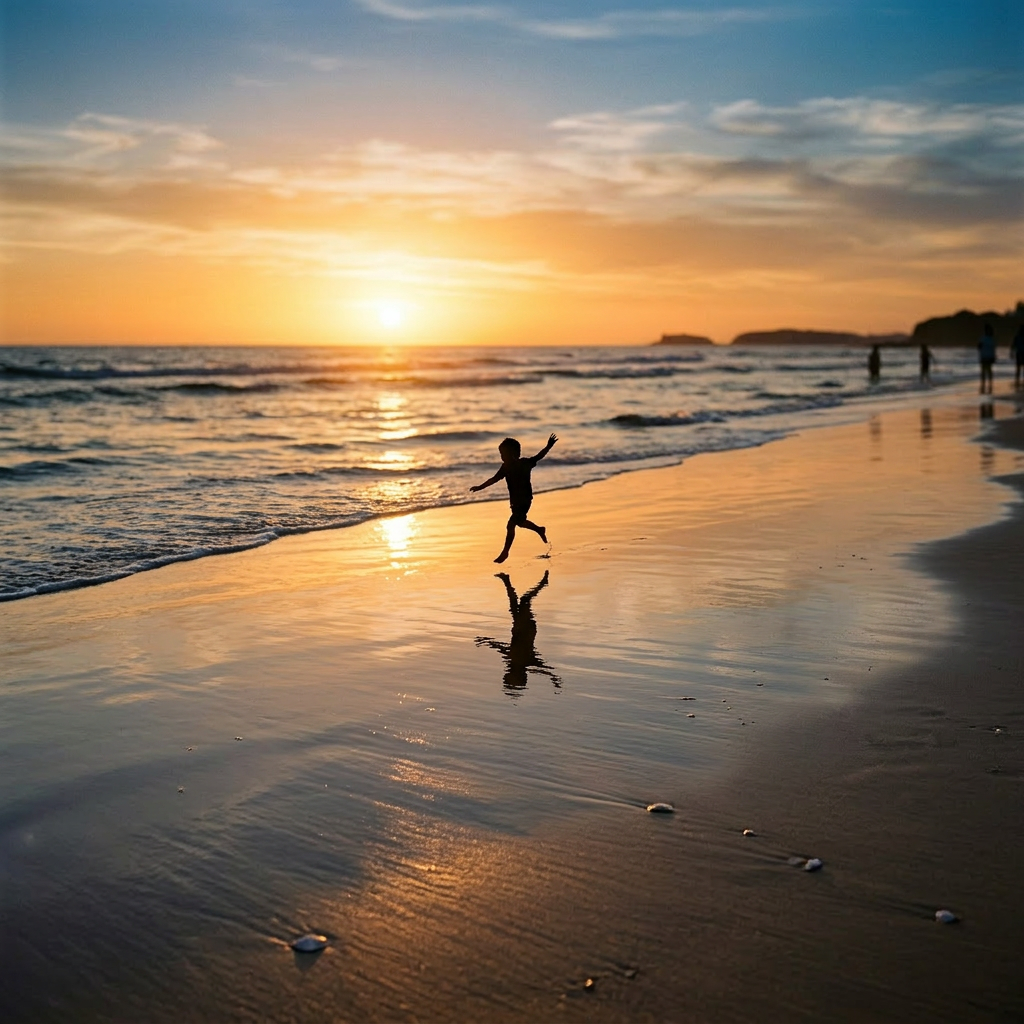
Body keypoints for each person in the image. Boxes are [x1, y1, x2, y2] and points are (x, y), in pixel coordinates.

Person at [471, 432, 557, 563]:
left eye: (503, 454)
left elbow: (539, 456)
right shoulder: (505, 467)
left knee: (511, 525)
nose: (501, 457)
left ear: (512, 454)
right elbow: (494, 479)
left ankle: (505, 553)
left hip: (525, 500)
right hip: (515, 502)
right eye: (501, 454)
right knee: (520, 523)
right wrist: (480, 487)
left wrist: (548, 446)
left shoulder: (525, 463)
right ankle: (539, 529)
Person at [475, 571, 560, 695]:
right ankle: (539, 583)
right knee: (524, 600)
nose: (506, 674)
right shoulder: (526, 661)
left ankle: (507, 581)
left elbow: (500, 647)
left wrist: (486, 641)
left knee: (516, 605)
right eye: (508, 677)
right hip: (526, 629)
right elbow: (543, 669)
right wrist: (553, 678)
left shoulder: (514, 659)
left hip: (520, 628)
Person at [978, 323, 996, 394]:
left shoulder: (983, 338)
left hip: (984, 356)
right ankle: (989, 383)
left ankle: (983, 383)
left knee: (984, 371)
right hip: (989, 356)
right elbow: (993, 348)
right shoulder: (991, 339)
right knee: (989, 370)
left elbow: (979, 347)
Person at [1011, 323, 1024, 389]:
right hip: (1020, 353)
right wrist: (1011, 352)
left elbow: (1013, 345)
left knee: (1018, 368)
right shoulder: (1017, 337)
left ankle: (1017, 380)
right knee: (1018, 368)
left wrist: (1011, 353)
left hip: (1019, 353)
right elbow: (1013, 345)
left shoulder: (1017, 337)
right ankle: (1017, 380)